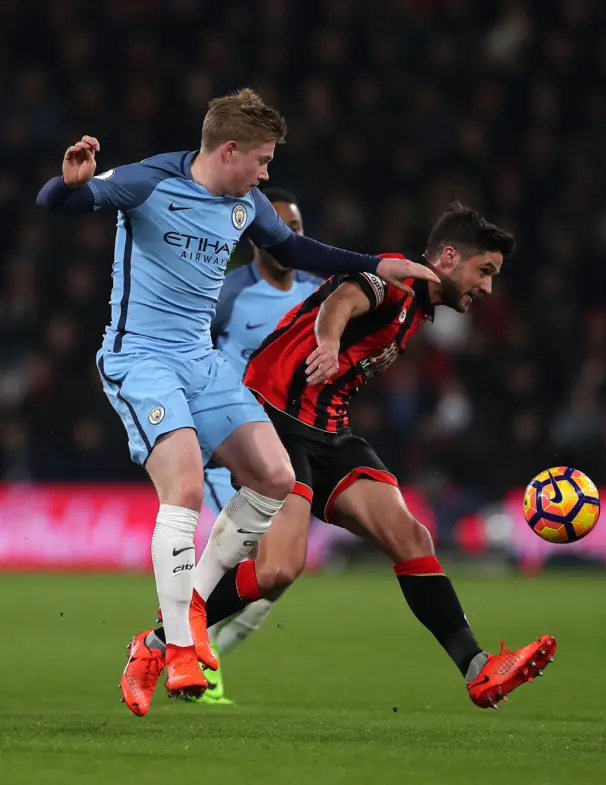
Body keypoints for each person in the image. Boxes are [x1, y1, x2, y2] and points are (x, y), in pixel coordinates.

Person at [36, 88, 439, 714]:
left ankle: (185, 618)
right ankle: (176, 649)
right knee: (187, 490)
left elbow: (298, 251)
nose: (266, 172)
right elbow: (57, 204)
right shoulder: (146, 182)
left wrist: (377, 265)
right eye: (262, 159)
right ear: (230, 150)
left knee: (275, 477)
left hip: (203, 363)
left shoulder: (246, 203)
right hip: (141, 359)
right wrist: (67, 184)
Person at [129, 201, 556, 712]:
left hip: (330, 432)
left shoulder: (420, 307)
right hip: (276, 419)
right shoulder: (395, 281)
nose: (487, 287)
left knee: (411, 537)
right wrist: (328, 343)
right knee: (279, 570)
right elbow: (343, 299)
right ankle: (157, 643)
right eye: (483, 271)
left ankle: (477, 668)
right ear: (447, 256)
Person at [200, 187, 322, 704]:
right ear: (254, 239)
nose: (285, 239)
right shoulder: (227, 294)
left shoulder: (320, 296)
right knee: (240, 556)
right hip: (235, 446)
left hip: (294, 446)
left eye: (293, 229)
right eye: (276, 230)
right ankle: (194, 658)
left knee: (278, 574)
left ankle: (208, 648)